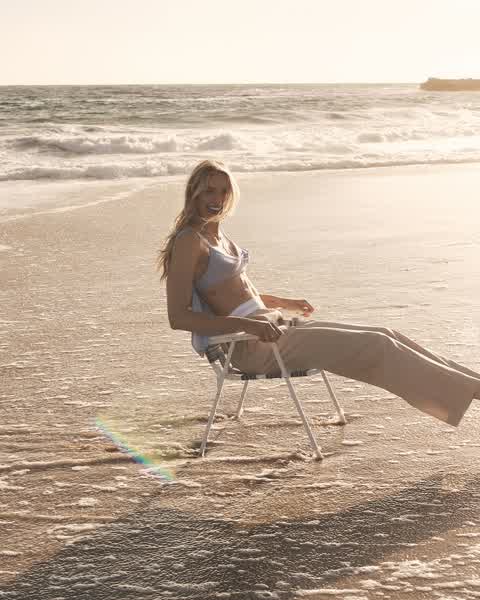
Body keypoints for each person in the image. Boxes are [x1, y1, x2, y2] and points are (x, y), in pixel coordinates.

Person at [158, 159, 480, 427]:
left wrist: (283, 302)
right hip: (250, 346)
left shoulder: (218, 234)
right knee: (378, 346)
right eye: (209, 190)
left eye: (224, 190)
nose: (217, 197)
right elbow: (179, 317)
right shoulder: (189, 241)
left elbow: (233, 292)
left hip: (273, 328)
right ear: (194, 192)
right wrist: (250, 325)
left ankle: (474, 386)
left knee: (385, 333)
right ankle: (472, 393)